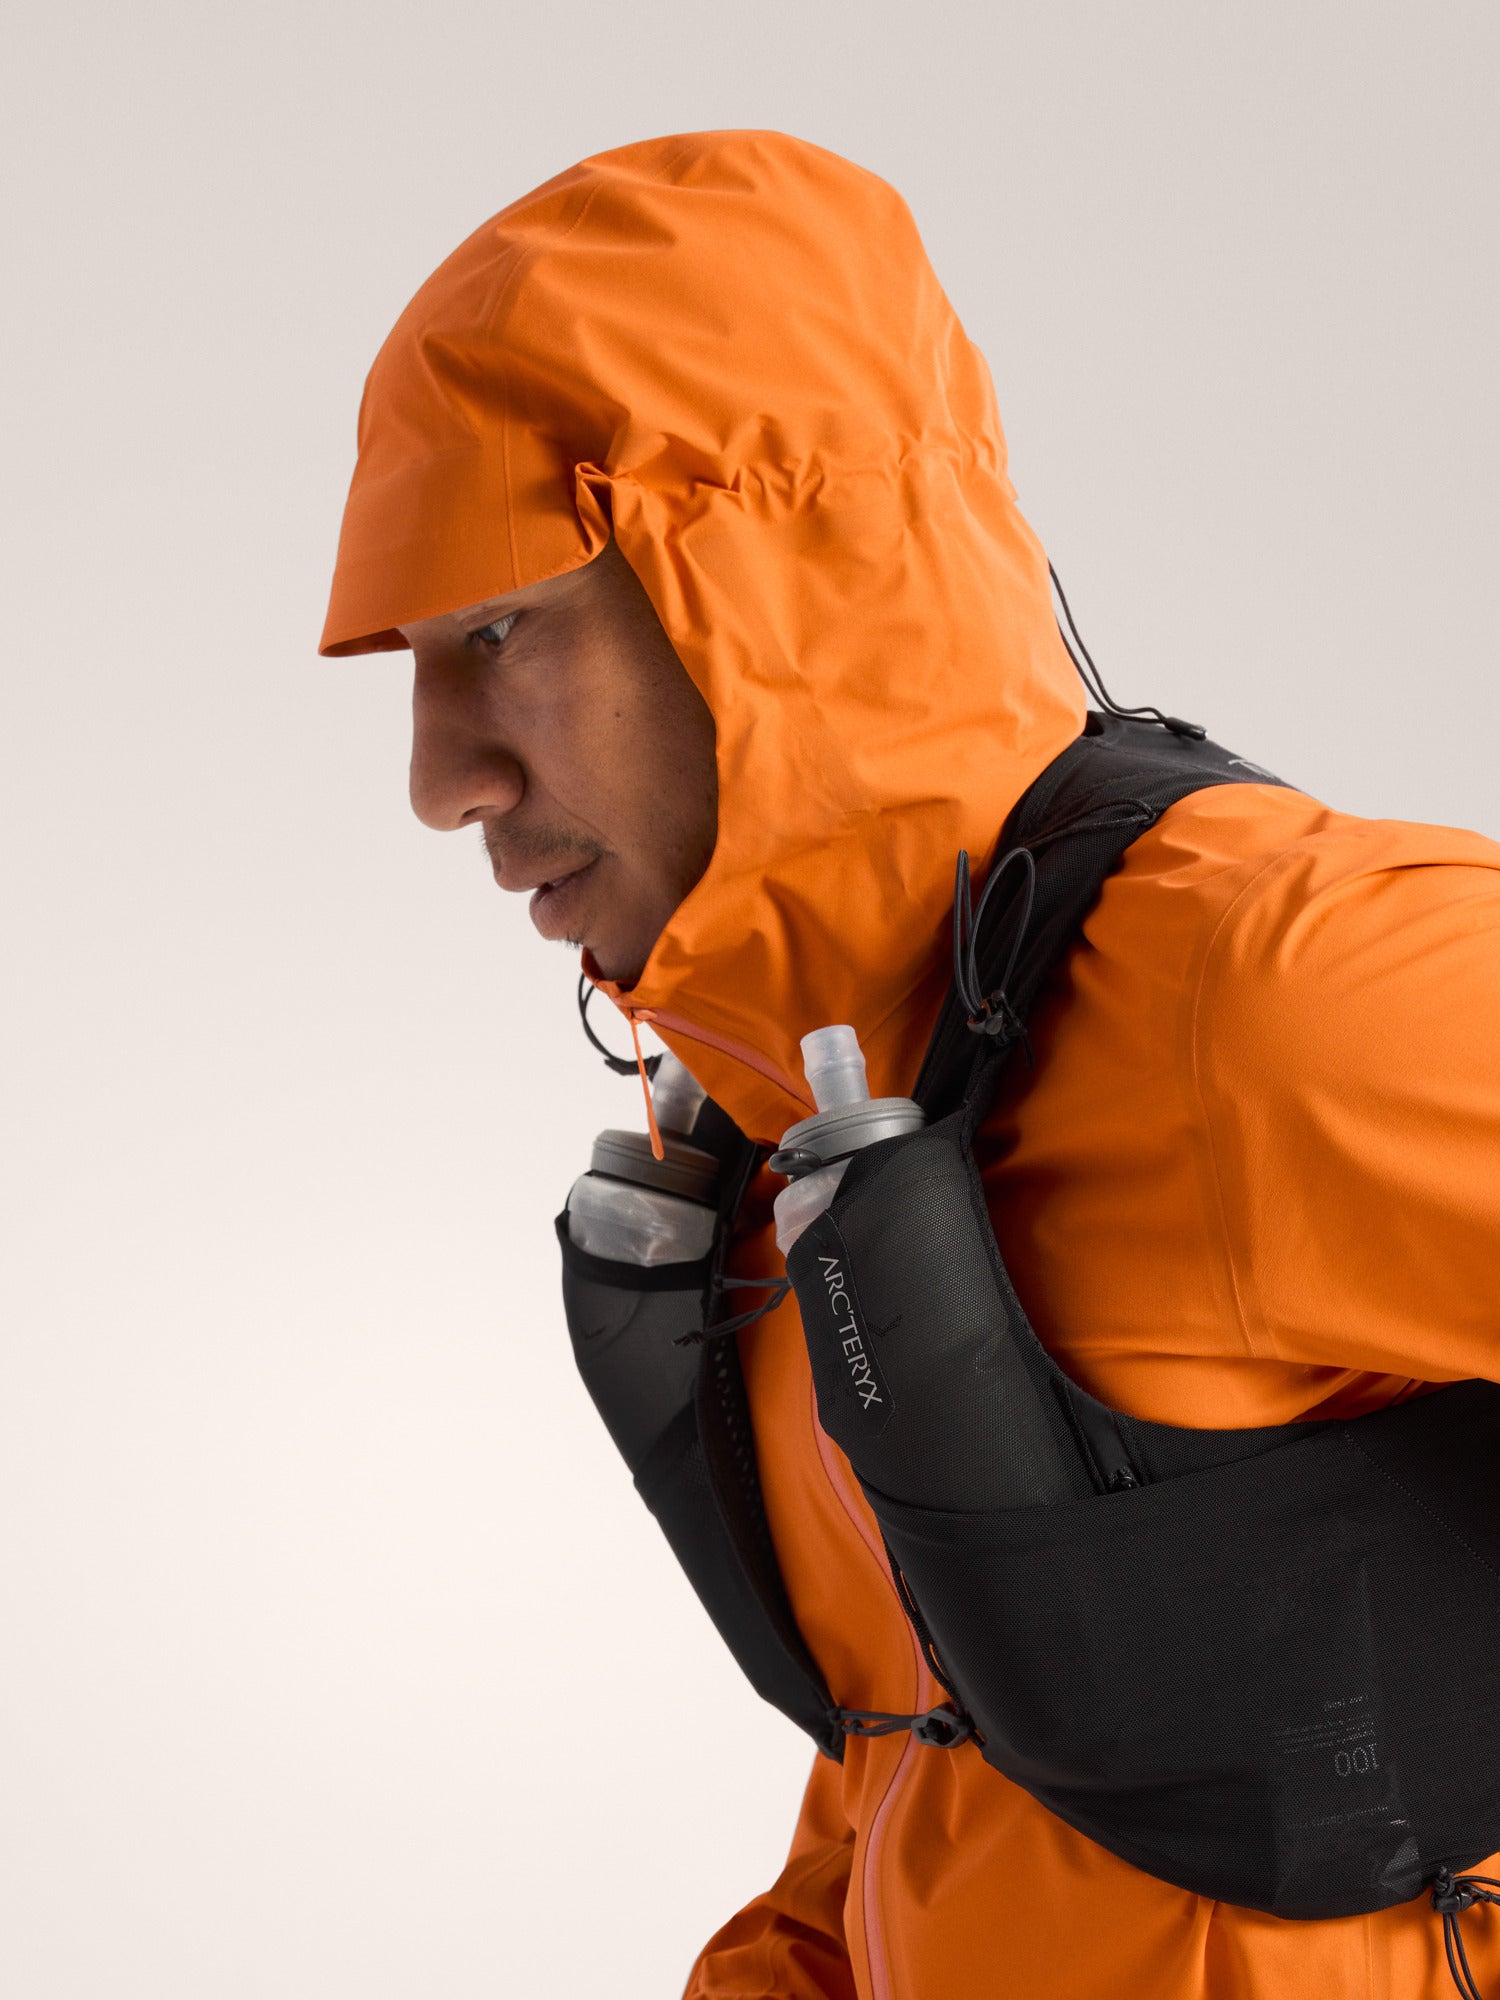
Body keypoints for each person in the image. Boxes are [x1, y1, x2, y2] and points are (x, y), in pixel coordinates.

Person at [320, 130, 1500, 2000]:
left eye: (496, 630)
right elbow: (942, 1762)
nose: (435, 778)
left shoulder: (1282, 993)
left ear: (763, 578)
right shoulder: (816, 1150)